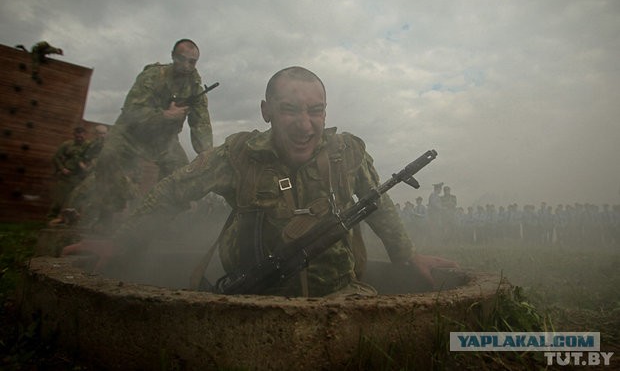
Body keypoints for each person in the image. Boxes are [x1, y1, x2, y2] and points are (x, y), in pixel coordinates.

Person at [63, 66, 457, 297]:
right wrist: (121, 243)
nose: (305, 126)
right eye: (289, 110)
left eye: (315, 111)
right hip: (249, 297)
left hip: (340, 297)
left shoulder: (347, 152)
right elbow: (171, 192)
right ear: (266, 111)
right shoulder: (237, 156)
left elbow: (379, 202)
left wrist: (407, 256)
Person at [92, 39, 214, 226]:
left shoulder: (195, 87)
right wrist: (165, 115)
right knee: (107, 156)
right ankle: (107, 216)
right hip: (131, 134)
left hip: (163, 139)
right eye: (182, 59)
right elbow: (132, 111)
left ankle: (159, 224)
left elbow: (201, 123)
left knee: (181, 175)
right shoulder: (152, 76)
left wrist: (206, 154)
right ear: (173, 56)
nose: (187, 64)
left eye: (192, 61)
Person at [48, 126, 89, 223]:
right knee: (60, 199)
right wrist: (62, 168)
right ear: (74, 135)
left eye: (81, 135)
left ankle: (71, 221)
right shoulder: (67, 145)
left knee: (77, 200)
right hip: (67, 176)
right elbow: (56, 157)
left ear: (85, 135)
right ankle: (51, 219)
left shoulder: (88, 146)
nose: (79, 137)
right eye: (77, 135)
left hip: (80, 177)